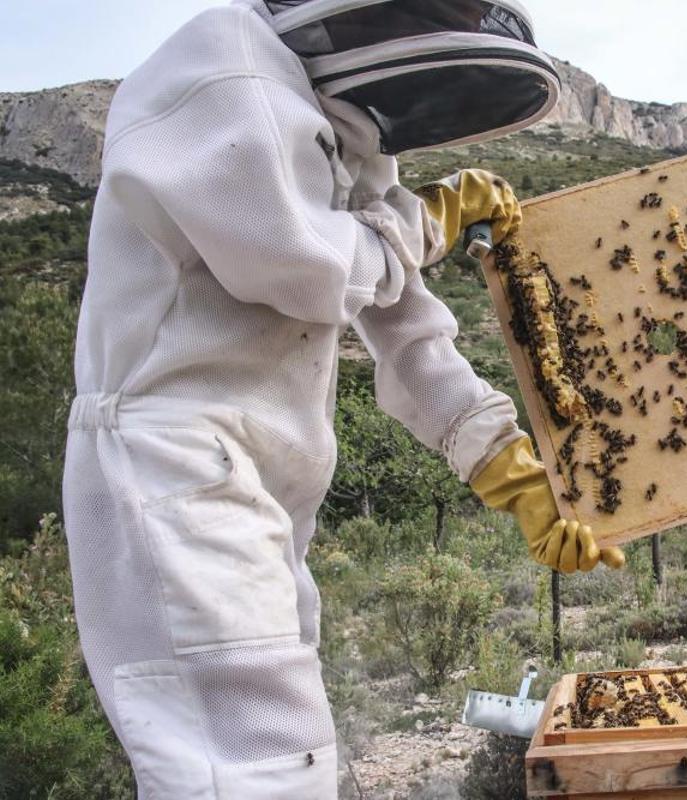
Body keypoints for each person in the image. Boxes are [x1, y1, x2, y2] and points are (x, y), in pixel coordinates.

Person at [62, 1, 623, 796]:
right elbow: (308, 264)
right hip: (168, 468)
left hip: (250, 482)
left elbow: (412, 336)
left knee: (286, 758)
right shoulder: (229, 65)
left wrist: (519, 476)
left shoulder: (343, 138)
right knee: (256, 767)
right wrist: (431, 219)